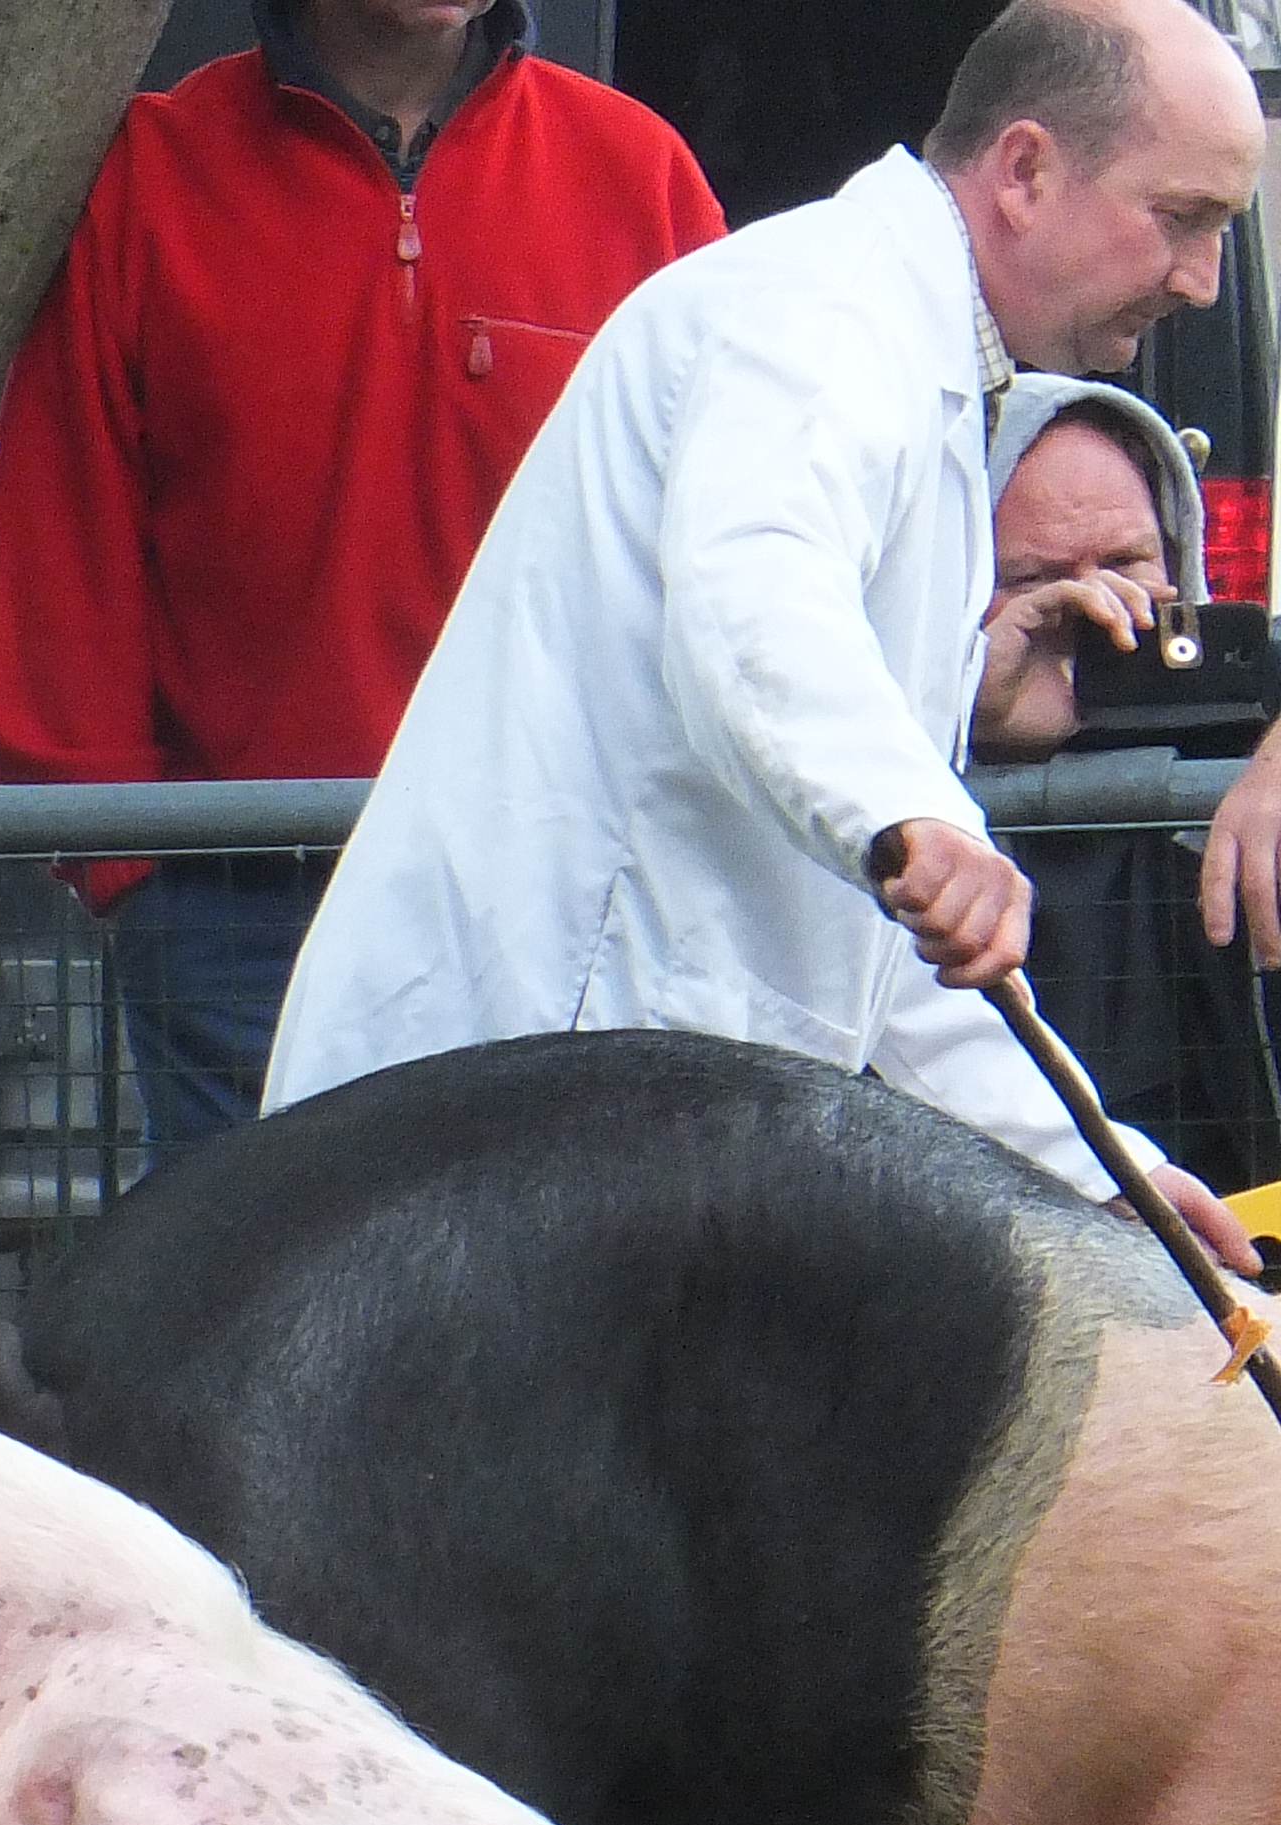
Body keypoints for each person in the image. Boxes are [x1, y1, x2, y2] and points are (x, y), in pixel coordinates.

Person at [266, 0, 1268, 1287]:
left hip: (553, 1132)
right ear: (1024, 170)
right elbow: (753, 596)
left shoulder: (909, 354)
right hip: (488, 1142)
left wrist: (1103, 1176)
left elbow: (889, 951)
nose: (1202, 281)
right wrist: (919, 816)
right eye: (1183, 219)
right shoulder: (824, 312)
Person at [0, 0, 718, 1152]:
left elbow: (718, 534)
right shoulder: (148, 176)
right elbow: (67, 529)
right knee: (260, 1317)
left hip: (552, 890)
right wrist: (128, 865)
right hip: (240, 904)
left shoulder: (639, 175)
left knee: (527, 1312)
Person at [962, 376, 1281, 1187]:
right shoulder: (880, 743)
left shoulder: (1243, 696)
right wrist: (962, 712)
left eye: (1129, 561)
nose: (1097, 601)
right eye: (1033, 577)